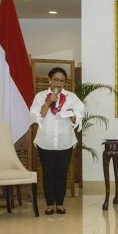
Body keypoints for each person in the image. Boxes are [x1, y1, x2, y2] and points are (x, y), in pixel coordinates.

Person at [30, 67, 84, 215]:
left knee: (61, 173)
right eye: (56, 80)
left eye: (62, 81)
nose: (58, 83)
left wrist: (74, 116)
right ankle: (49, 205)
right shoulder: (41, 96)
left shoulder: (71, 97)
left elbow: (79, 115)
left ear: (64, 82)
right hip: (45, 141)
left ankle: (59, 204)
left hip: (65, 141)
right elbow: (36, 116)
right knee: (48, 173)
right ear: (50, 80)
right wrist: (48, 102)